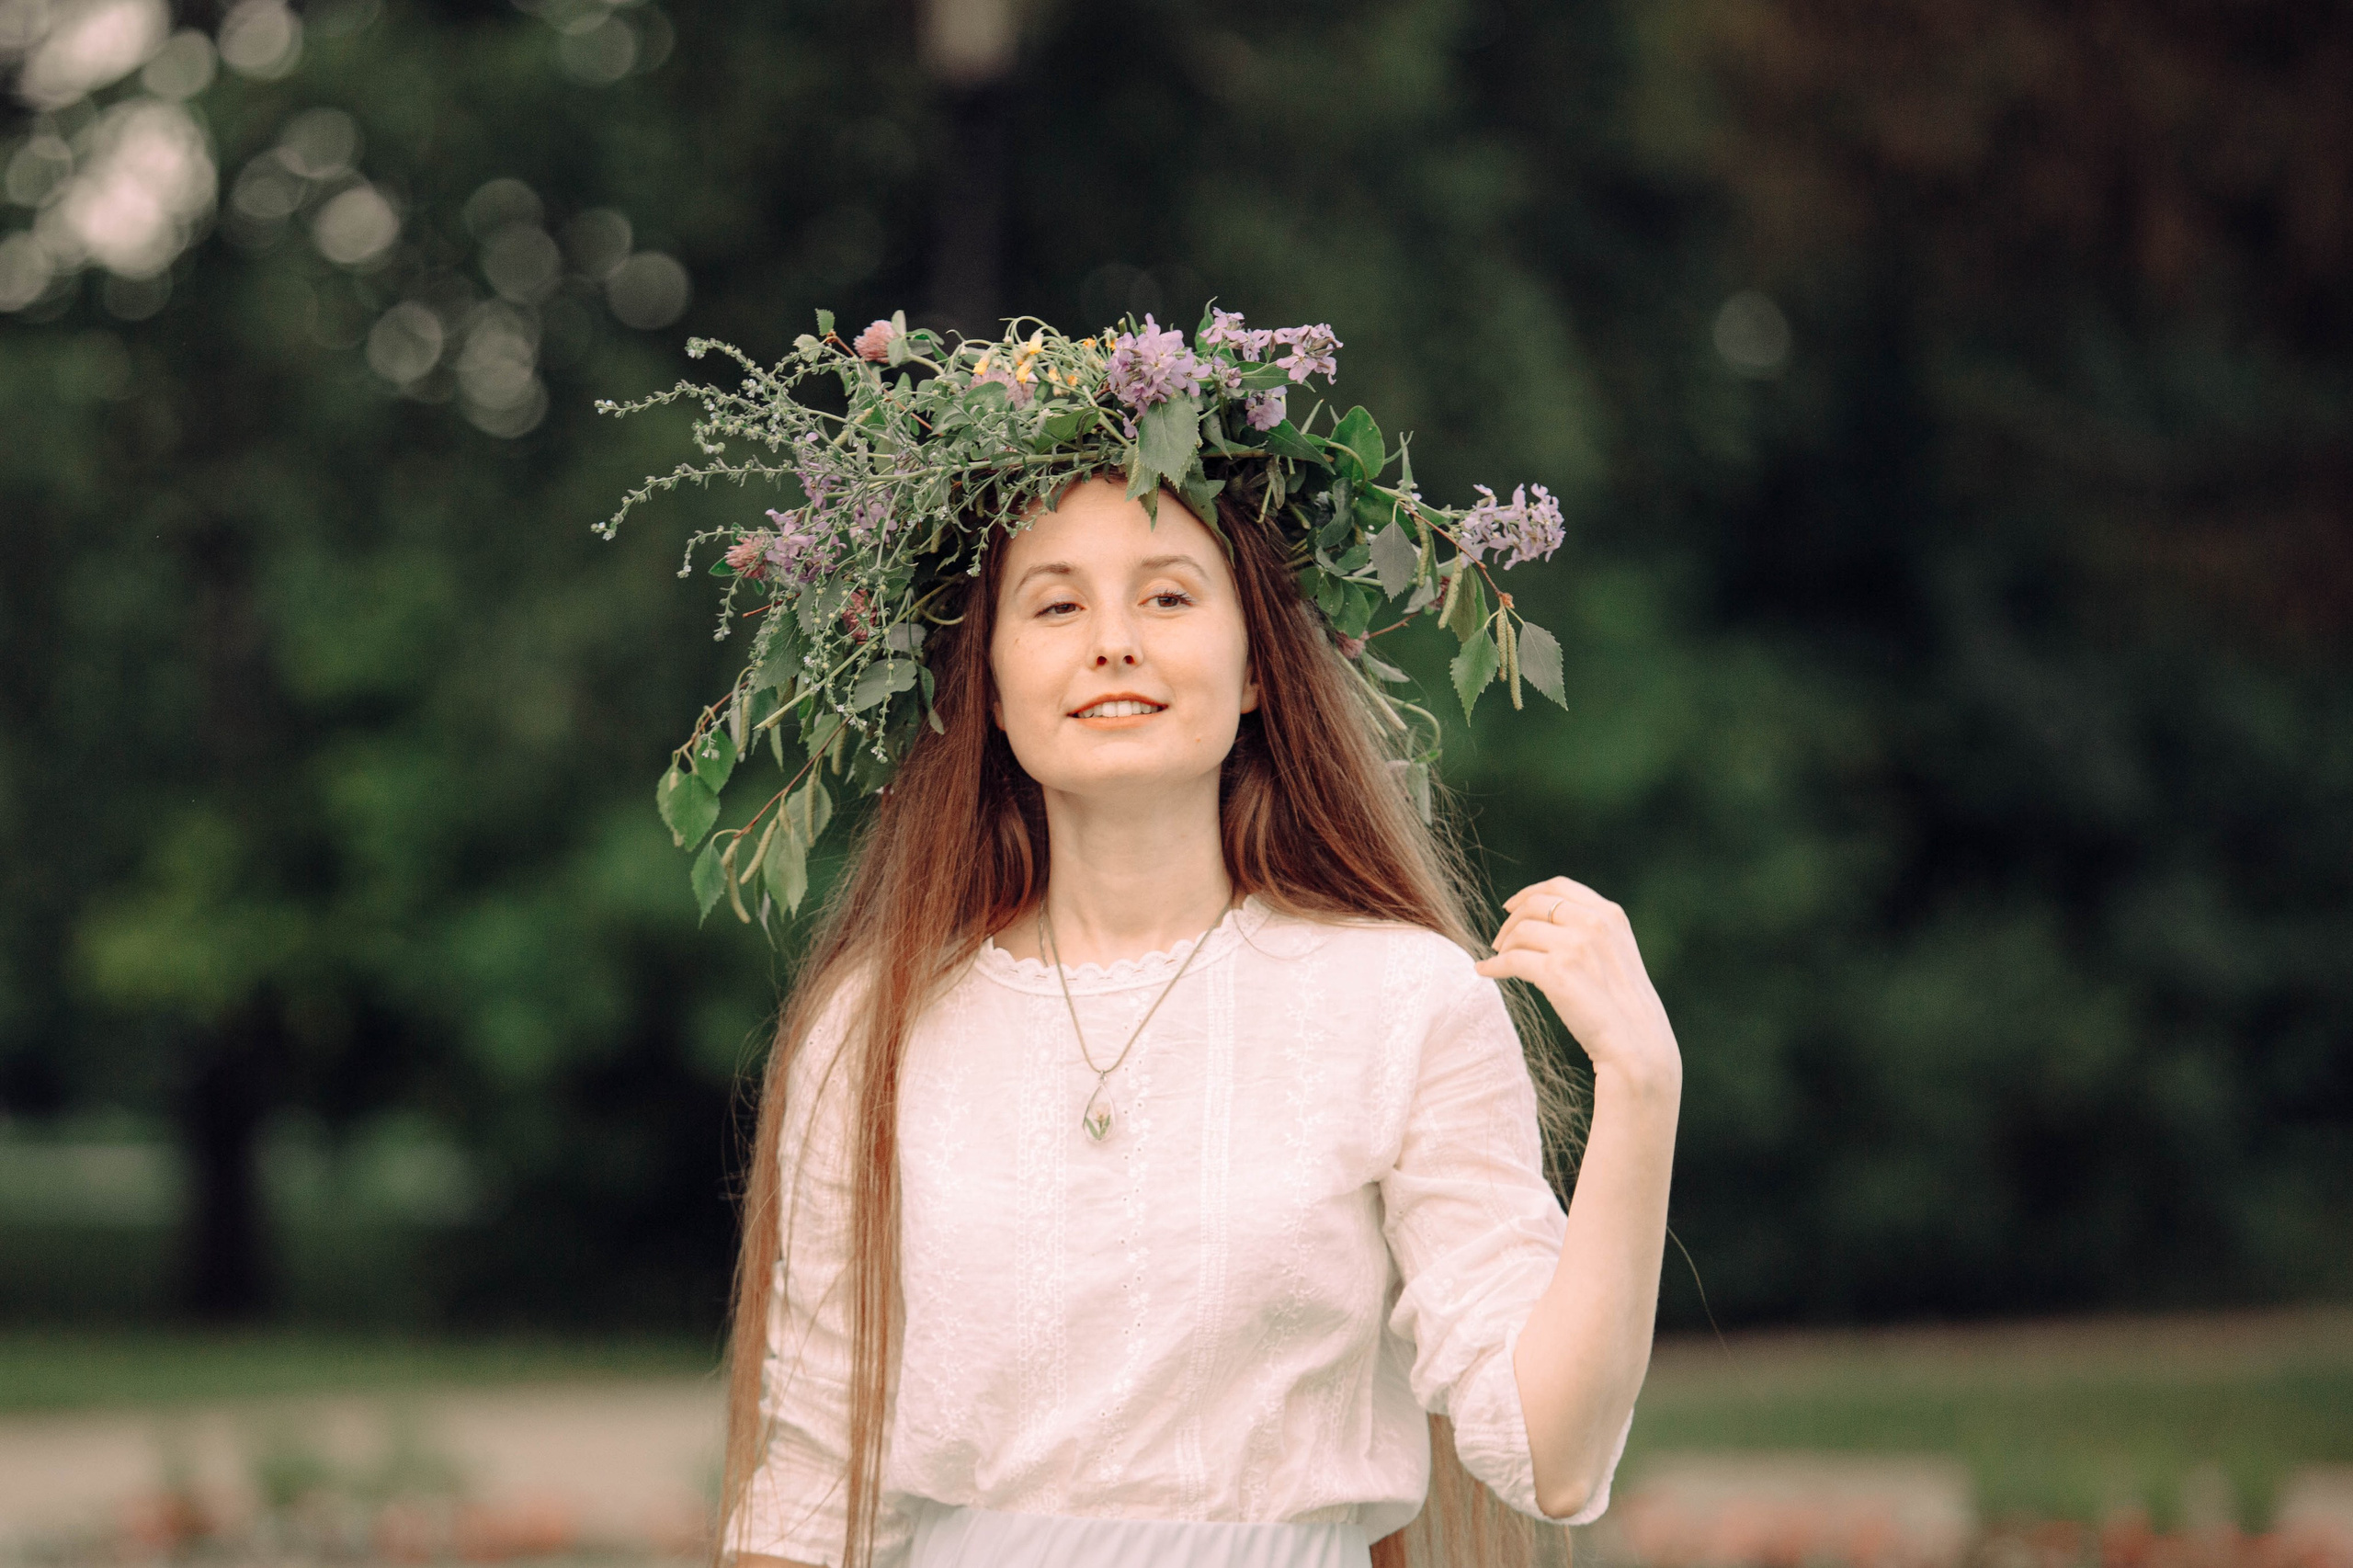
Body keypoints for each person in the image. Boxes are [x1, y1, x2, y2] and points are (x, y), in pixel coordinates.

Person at [607, 308, 1681, 1568]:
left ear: (1257, 669)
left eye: (1167, 594)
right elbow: (808, 1486)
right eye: (1055, 605)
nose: (1113, 637)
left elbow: (1551, 1453)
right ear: (991, 687)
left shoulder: (1401, 1000)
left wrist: (1642, 1088)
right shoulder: (879, 1021)